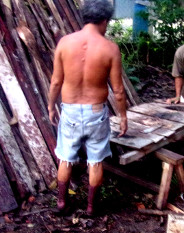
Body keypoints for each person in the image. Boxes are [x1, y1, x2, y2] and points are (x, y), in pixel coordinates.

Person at [46, 0, 128, 216]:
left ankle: (62, 203)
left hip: (70, 110)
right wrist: (123, 116)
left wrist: (51, 106)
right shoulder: (110, 48)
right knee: (95, 160)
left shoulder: (65, 43)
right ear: (103, 20)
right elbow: (118, 90)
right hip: (96, 112)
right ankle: (91, 207)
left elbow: (55, 82)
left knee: (65, 157)